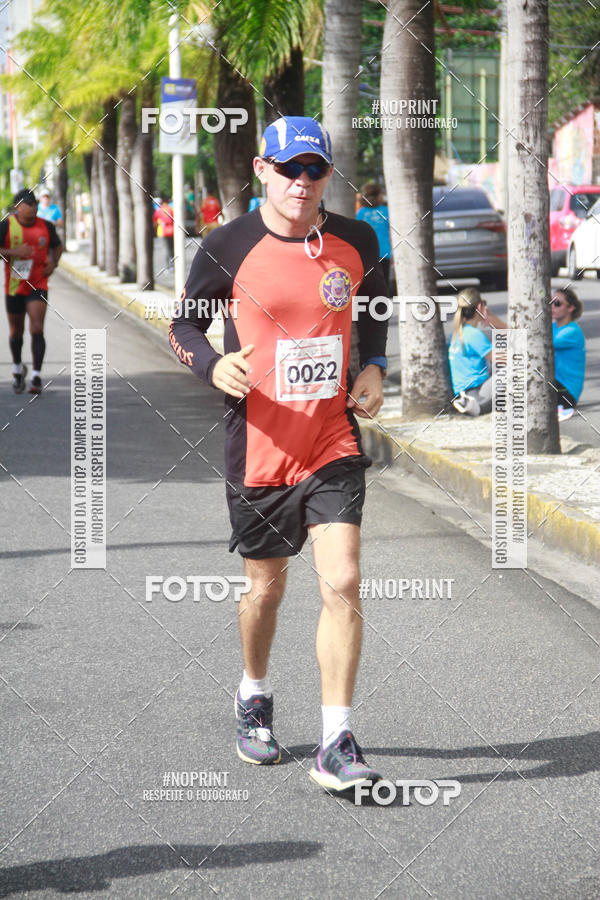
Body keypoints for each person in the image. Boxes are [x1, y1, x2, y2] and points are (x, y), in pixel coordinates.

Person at [169, 116, 388, 793]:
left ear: (328, 174)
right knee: (266, 588)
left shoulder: (356, 239)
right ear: (262, 169)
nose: (302, 182)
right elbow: (183, 323)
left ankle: (336, 739)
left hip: (332, 440)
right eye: (289, 168)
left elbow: (377, 304)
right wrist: (211, 366)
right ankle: (254, 693)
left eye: (314, 169)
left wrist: (374, 365)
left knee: (343, 581)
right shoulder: (227, 245)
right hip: (260, 450)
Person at [1, 188, 63, 394]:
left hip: (37, 285)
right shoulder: (6, 226)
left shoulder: (46, 225)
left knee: (37, 328)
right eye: (29, 203)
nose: (34, 206)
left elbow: (58, 246)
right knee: (16, 332)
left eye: (35, 203)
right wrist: (13, 252)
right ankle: (18, 369)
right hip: (14, 287)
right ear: (18, 206)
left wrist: (53, 264)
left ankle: (36, 375)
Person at [449, 287, 506, 416]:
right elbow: (506, 359)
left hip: (466, 395)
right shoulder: (473, 334)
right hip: (476, 398)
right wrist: (498, 323)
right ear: (480, 307)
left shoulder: (458, 333)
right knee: (520, 367)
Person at [551, 288, 585, 422]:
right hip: (553, 385)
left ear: (571, 307)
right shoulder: (552, 327)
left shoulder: (572, 331)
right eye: (550, 303)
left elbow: (537, 343)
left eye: (557, 303)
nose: (552, 307)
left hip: (566, 394)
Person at [356, 182, 392, 290]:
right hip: (384, 253)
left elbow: (358, 235)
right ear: (379, 195)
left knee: (369, 287)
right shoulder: (386, 211)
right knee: (384, 286)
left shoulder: (361, 213)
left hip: (366, 255)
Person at [153, 196, 174, 271]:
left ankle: (166, 267)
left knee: (165, 249)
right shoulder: (171, 209)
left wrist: (155, 231)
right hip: (172, 231)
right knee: (171, 249)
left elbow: (155, 223)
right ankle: (172, 266)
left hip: (162, 232)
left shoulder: (159, 211)